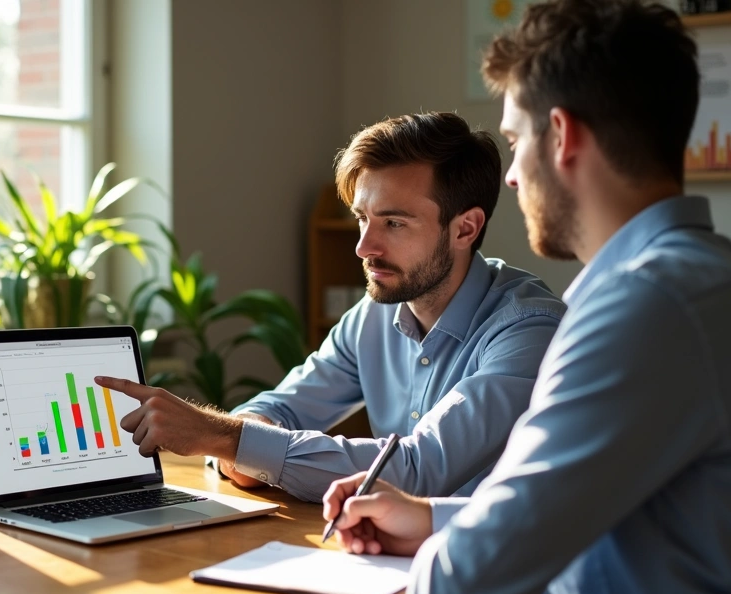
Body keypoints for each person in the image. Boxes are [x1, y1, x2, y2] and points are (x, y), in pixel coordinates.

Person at [322, 1, 731, 594]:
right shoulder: (726, 292)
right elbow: (592, 510)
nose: (513, 178)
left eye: (517, 142)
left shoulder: (643, 309)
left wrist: (451, 548)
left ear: (562, 136)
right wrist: (433, 519)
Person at [97, 112, 565, 502]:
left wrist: (228, 439)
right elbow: (280, 407)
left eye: (394, 223)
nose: (363, 247)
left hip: (504, 576)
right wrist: (246, 440)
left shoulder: (528, 331)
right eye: (362, 218)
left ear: (465, 229)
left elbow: (420, 470)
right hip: (386, 554)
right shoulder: (374, 315)